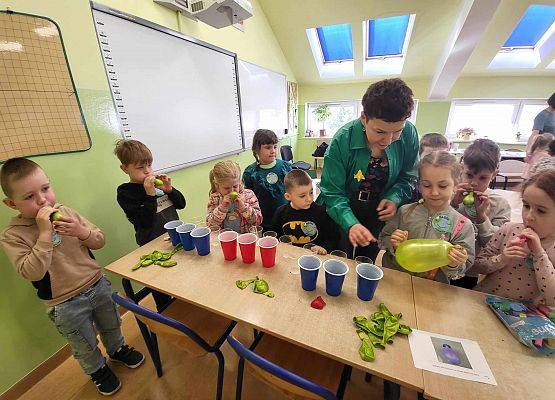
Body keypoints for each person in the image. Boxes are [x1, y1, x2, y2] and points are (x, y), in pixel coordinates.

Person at [0, 158, 144, 396]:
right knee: (84, 343)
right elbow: (31, 271)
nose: (42, 200)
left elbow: (99, 240)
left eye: (45, 189)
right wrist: (45, 234)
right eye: (29, 197)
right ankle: (98, 370)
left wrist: (81, 232)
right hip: (63, 303)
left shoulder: (66, 212)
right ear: (11, 203)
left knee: (111, 324)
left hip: (96, 284)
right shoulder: (12, 235)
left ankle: (117, 350)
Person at [316, 78, 419, 261]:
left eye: (397, 132)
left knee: (368, 257)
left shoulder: (410, 134)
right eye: (380, 132)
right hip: (343, 207)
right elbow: (332, 193)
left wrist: (395, 197)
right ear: (364, 118)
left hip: (380, 209)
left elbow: (408, 177)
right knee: (339, 256)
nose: (388, 140)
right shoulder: (342, 140)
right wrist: (350, 224)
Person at [378, 151, 475, 283]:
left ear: (456, 185)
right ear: (419, 185)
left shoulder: (462, 225)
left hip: (431, 288)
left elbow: (463, 267)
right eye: (427, 185)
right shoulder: (405, 211)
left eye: (442, 186)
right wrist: (394, 243)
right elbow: (383, 238)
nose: (434, 192)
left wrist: (453, 263)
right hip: (395, 280)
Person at [473, 169, 555, 306]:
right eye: (526, 206)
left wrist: (539, 254)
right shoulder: (509, 230)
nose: (529, 216)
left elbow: (552, 298)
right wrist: (502, 259)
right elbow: (476, 267)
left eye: (541, 211)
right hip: (484, 301)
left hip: (523, 316)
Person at [450, 139, 510, 289]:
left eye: (483, 178)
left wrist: (482, 216)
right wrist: (453, 204)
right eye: (469, 175)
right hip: (443, 263)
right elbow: (436, 224)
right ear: (462, 168)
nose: (474, 183)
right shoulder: (451, 194)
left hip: (470, 271)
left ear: (494, 174)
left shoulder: (499, 205)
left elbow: (495, 245)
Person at [114, 139, 186, 246]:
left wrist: (169, 190)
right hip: (151, 243)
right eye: (140, 167)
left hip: (173, 236)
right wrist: (150, 195)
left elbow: (181, 205)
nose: (147, 170)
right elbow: (144, 222)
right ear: (125, 168)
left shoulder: (158, 184)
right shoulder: (125, 193)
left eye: (149, 165)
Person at [272, 170, 336, 254]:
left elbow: (332, 237)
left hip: (314, 257)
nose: (309, 199)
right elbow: (275, 235)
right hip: (289, 256)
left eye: (311, 192)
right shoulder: (280, 213)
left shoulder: (321, 212)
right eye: (302, 196)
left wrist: (324, 248)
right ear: (288, 196)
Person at [243, 129, 292, 231]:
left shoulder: (285, 167)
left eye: (275, 147)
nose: (273, 151)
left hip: (286, 219)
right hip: (263, 222)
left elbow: (293, 191)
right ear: (256, 149)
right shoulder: (250, 172)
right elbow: (247, 198)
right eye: (268, 147)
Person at [206, 160, 262, 233]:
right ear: (217, 185)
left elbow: (258, 221)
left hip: (245, 239)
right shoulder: (215, 199)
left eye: (235, 186)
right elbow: (210, 225)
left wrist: (244, 208)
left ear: (239, 182)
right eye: (226, 188)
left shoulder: (248, 195)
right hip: (225, 239)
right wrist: (221, 208)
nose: (232, 191)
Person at [525, 93, 555, 161]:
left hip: (552, 151)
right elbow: (534, 135)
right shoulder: (542, 115)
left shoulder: (553, 114)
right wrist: (528, 152)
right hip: (543, 151)